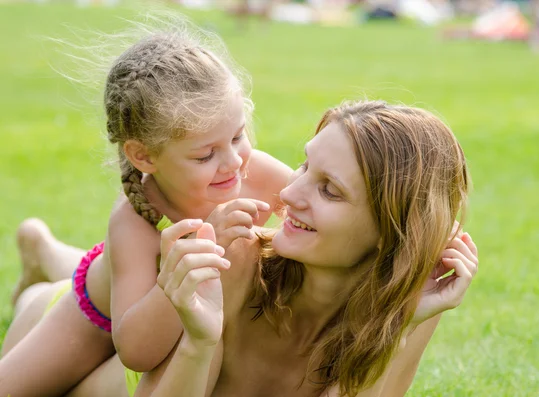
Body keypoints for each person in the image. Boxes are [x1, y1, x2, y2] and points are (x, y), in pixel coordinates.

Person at [64, 99, 477, 396]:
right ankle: (46, 253)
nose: (290, 192)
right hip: (100, 345)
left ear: (391, 232)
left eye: (329, 190)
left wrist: (399, 329)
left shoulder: (412, 305)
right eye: (303, 166)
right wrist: (199, 342)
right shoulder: (235, 261)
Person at [0, 23, 292, 397]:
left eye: (237, 135)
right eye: (205, 154)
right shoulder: (134, 220)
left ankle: (42, 248)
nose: (233, 161)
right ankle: (37, 279)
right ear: (144, 156)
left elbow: (321, 225)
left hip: (136, 298)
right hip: (97, 318)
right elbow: (136, 351)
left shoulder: (261, 174)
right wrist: (201, 253)